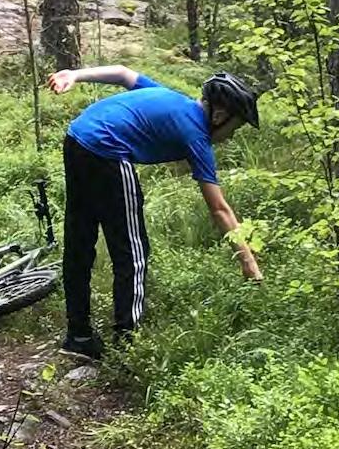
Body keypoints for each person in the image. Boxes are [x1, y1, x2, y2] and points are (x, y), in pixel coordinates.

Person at [48, 64, 263, 360]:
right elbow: (219, 209)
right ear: (219, 115)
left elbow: (123, 73)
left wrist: (74, 74)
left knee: (80, 243)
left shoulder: (170, 97)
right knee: (133, 254)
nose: (230, 136)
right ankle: (128, 345)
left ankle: (78, 336)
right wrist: (250, 265)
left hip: (76, 138)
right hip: (107, 151)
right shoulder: (195, 135)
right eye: (234, 127)